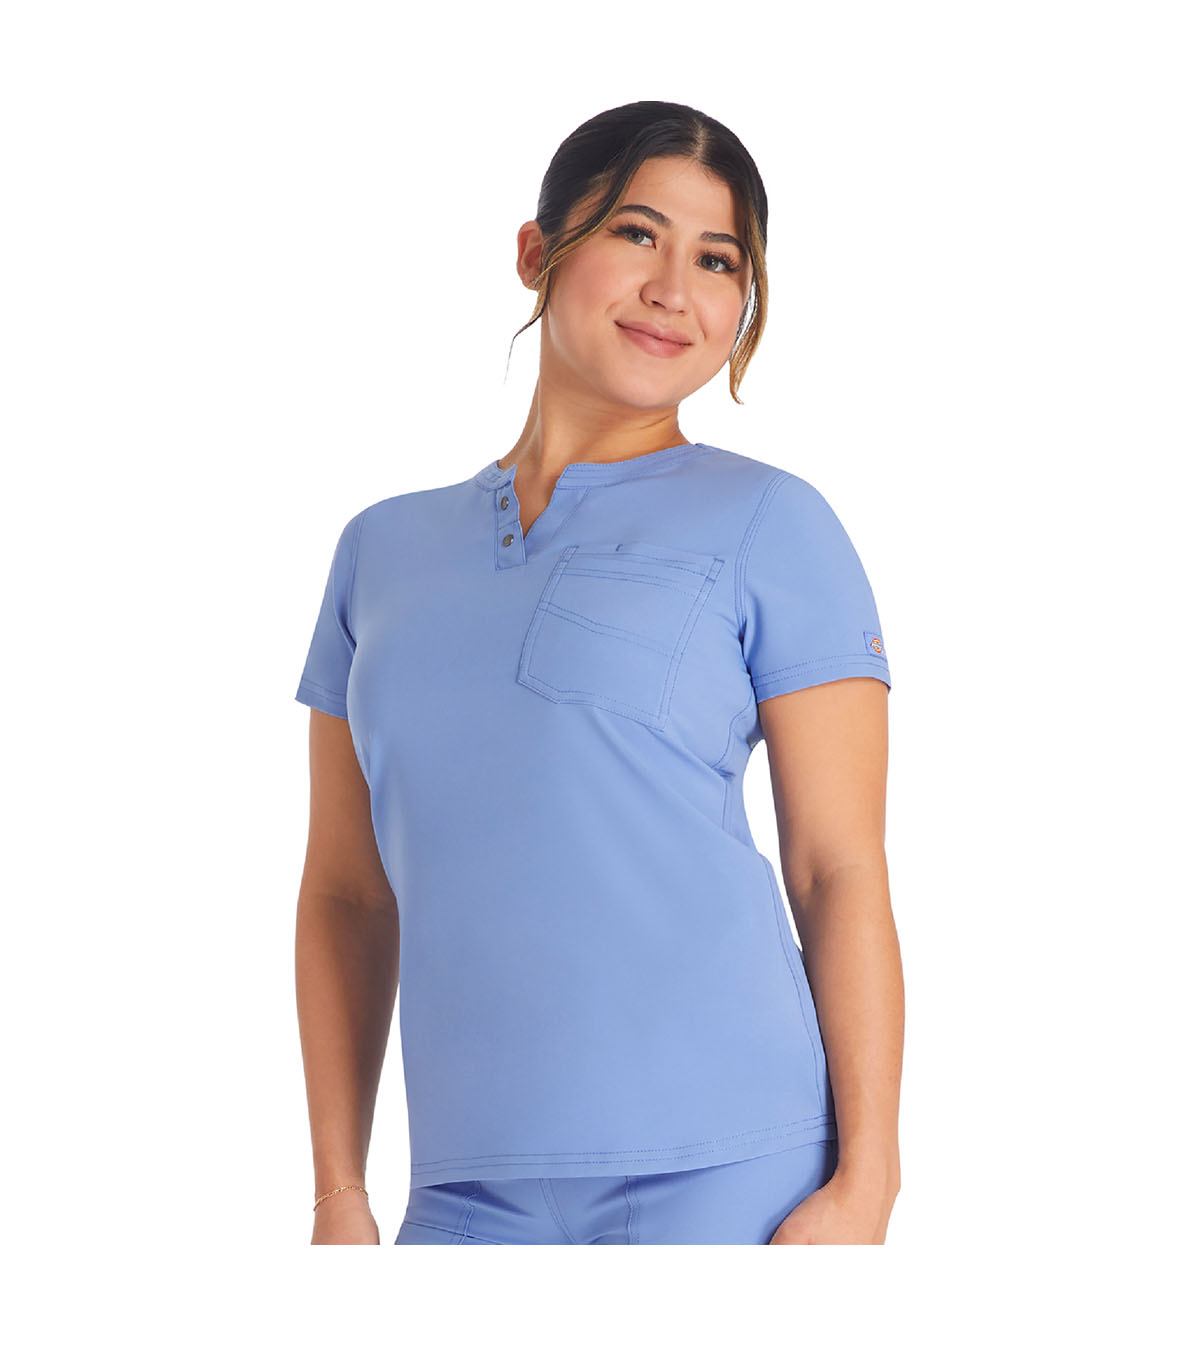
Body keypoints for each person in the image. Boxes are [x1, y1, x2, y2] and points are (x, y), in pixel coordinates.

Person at [294, 100, 903, 1245]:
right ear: (538, 251)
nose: (674, 288)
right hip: (467, 1189)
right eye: (636, 233)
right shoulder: (382, 549)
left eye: (718, 260)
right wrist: (340, 1190)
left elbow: (838, 869)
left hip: (735, 1169)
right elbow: (347, 892)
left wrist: (866, 1183)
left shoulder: (774, 520)